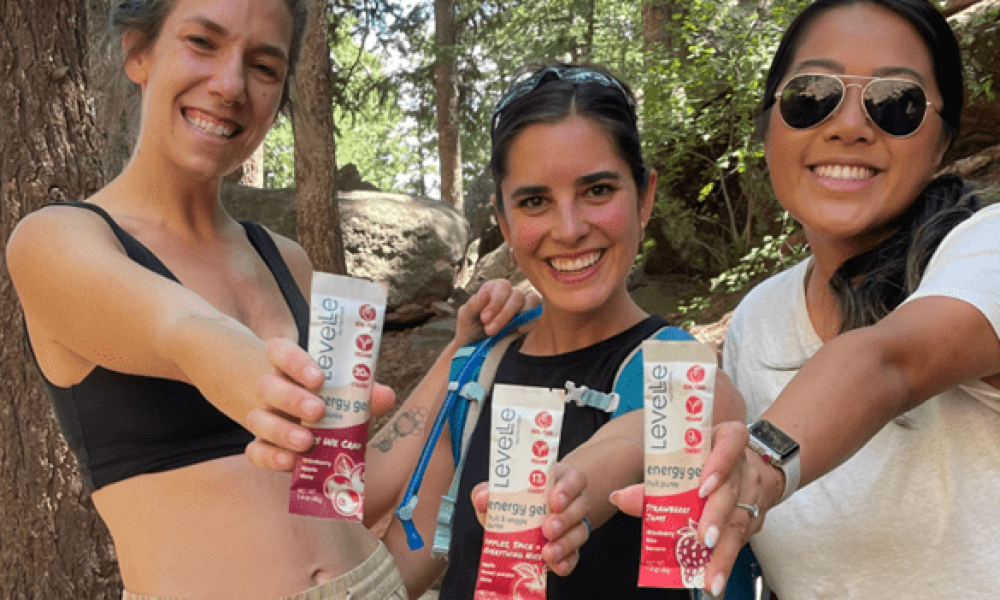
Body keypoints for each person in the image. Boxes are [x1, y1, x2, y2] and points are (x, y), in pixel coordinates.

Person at [5, 1, 586, 598]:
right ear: (138, 52)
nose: (231, 85)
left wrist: (465, 349)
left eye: (263, 66)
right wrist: (254, 376)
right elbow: (180, 329)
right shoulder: (57, 241)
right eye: (203, 42)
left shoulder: (287, 262)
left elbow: (343, 489)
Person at [613, 0, 1000, 597]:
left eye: (896, 102)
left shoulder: (986, 248)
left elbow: (888, 361)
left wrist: (763, 463)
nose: (849, 126)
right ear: (767, 125)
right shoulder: (759, 319)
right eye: (812, 95)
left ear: (942, 142)